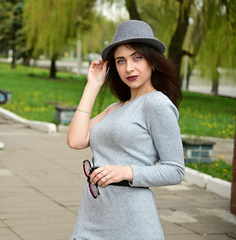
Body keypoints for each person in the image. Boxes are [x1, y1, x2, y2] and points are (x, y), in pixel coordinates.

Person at [67, 20, 185, 240]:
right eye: (120, 61)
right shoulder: (115, 108)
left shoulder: (156, 104)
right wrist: (92, 85)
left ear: (152, 62)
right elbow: (76, 140)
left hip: (131, 222)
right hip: (93, 215)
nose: (128, 68)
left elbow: (175, 170)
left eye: (136, 58)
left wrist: (125, 171)